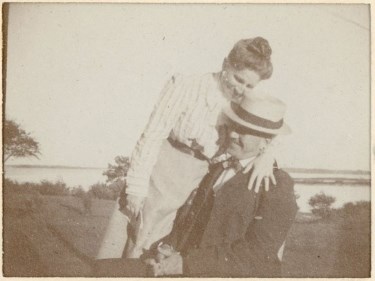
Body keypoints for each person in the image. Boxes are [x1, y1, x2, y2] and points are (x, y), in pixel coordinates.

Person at [98, 37, 279, 259]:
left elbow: (265, 130)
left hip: (200, 181)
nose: (241, 89)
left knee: (171, 251)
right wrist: (136, 188)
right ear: (225, 65)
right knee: (138, 242)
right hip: (163, 171)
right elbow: (152, 135)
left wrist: (267, 155)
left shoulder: (244, 104)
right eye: (238, 79)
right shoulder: (187, 85)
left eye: (249, 86)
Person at [145, 94, 298, 277]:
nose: (233, 134)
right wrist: (169, 247)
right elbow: (191, 221)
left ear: (266, 141)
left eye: (243, 131)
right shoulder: (216, 169)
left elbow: (257, 254)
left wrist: (185, 264)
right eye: (234, 127)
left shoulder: (276, 183)